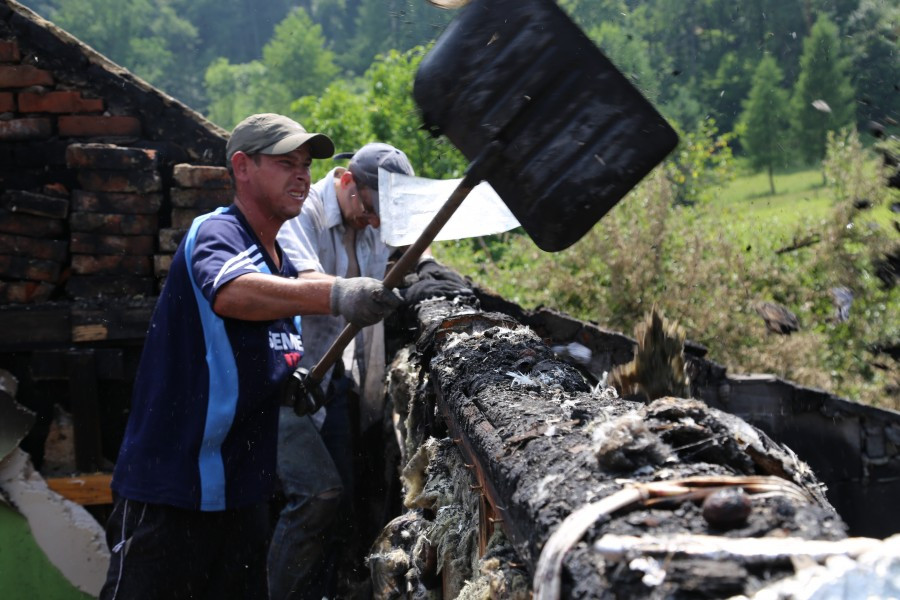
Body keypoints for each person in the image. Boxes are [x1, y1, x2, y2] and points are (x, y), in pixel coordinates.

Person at [100, 114, 401, 600]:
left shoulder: (277, 260)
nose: (302, 175)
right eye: (286, 163)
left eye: (305, 165)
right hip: (173, 487)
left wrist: (288, 379)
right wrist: (339, 296)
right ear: (242, 167)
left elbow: (270, 330)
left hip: (241, 492)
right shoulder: (218, 234)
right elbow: (231, 294)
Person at [270, 143, 470, 599]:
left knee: (342, 495)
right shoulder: (307, 215)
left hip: (338, 378)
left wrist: (429, 266)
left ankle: (336, 584)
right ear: (344, 181)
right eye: (370, 208)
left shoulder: (371, 220)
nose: (375, 222)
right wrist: (344, 292)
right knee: (313, 499)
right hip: (296, 378)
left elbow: (411, 246)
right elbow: (300, 280)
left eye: (385, 215)